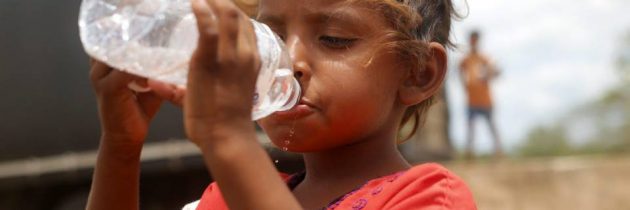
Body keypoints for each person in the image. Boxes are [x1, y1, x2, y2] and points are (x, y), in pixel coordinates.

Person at [86, 0, 477, 209]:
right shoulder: (221, 200)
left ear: (418, 73)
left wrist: (229, 139)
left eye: (334, 39)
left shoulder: (427, 199)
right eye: (270, 38)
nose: (291, 63)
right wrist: (120, 148)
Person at [459, 30, 503, 159]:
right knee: (471, 128)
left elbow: (495, 71)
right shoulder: (466, 59)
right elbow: (459, 71)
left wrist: (487, 77)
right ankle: (470, 154)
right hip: (471, 100)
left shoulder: (484, 58)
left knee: (491, 127)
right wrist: (465, 85)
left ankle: (498, 152)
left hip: (485, 100)